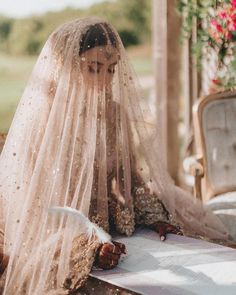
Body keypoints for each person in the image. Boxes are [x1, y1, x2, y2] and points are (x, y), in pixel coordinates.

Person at [0, 17, 229, 294]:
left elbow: (129, 178)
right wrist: (86, 246)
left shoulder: (114, 113)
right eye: (94, 69)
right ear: (66, 67)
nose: (106, 81)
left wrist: (151, 215)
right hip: (57, 233)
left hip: (109, 223)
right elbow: (39, 211)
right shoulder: (45, 124)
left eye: (111, 70)